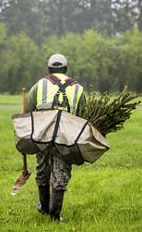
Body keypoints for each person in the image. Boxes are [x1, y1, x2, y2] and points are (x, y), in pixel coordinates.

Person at [26, 54, 86, 220]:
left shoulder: (39, 85)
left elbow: (29, 110)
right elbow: (82, 116)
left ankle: (44, 207)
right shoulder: (78, 88)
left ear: (49, 69)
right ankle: (54, 215)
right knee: (61, 172)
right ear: (66, 69)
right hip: (66, 136)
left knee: (42, 168)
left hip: (42, 133)